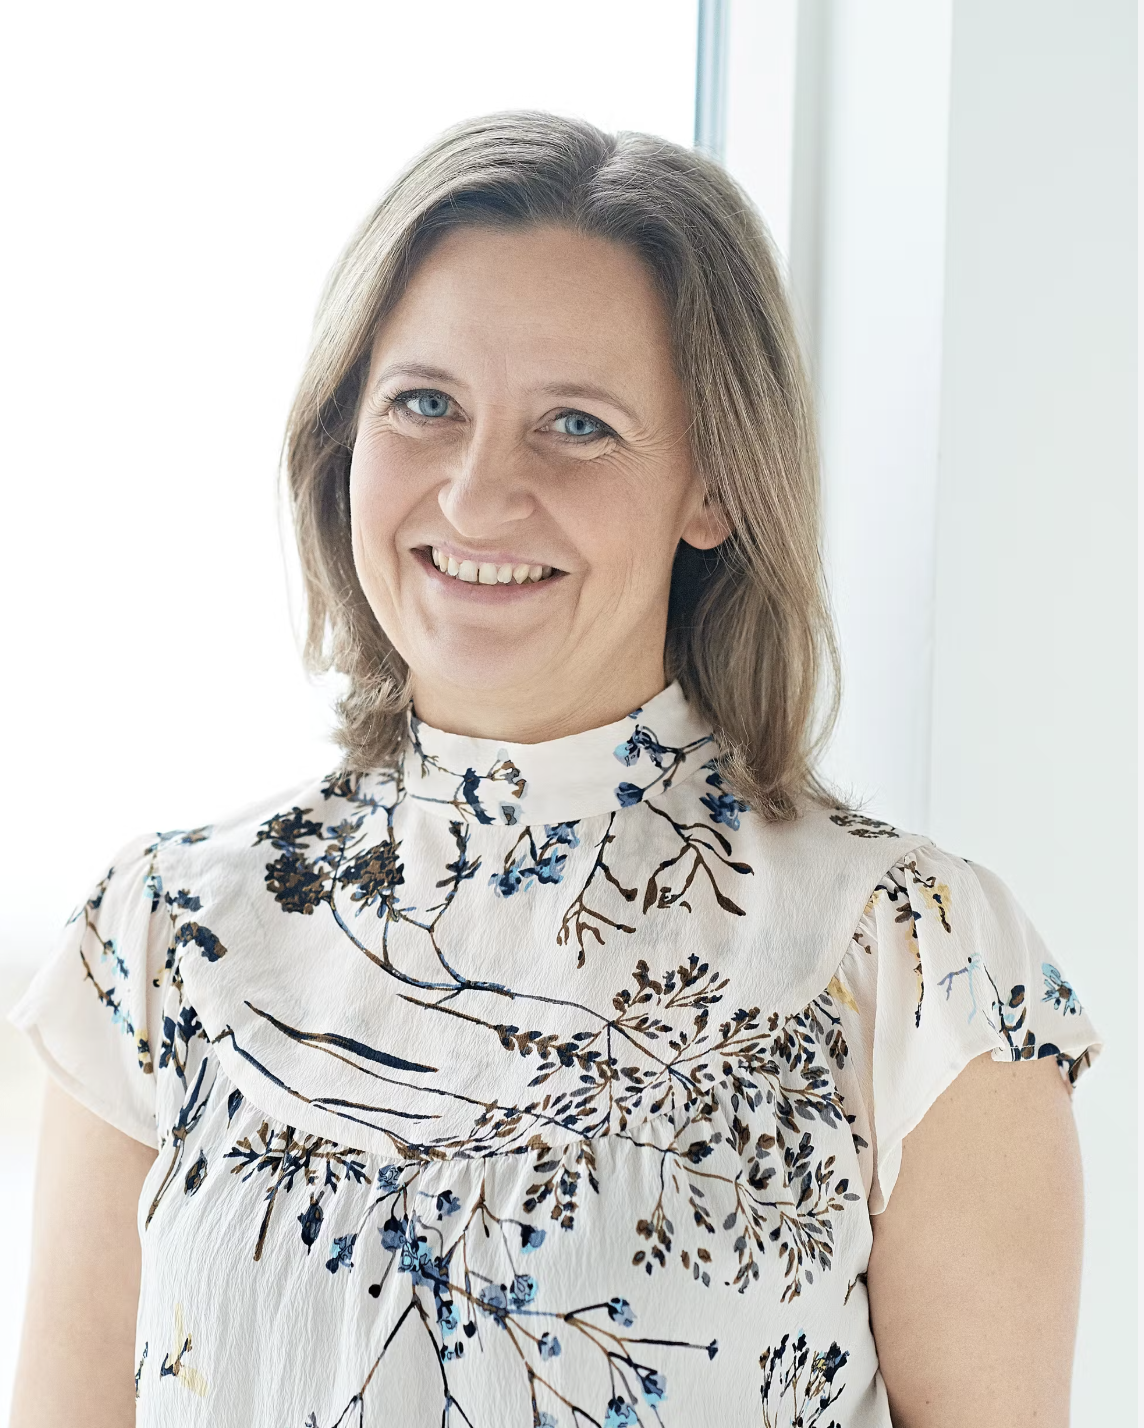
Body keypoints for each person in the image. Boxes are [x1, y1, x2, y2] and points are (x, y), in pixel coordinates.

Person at [10, 112, 1102, 1428]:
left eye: (576, 425)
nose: (477, 495)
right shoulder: (160, 939)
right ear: (346, 435)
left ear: (715, 486)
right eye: (425, 405)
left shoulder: (914, 963)